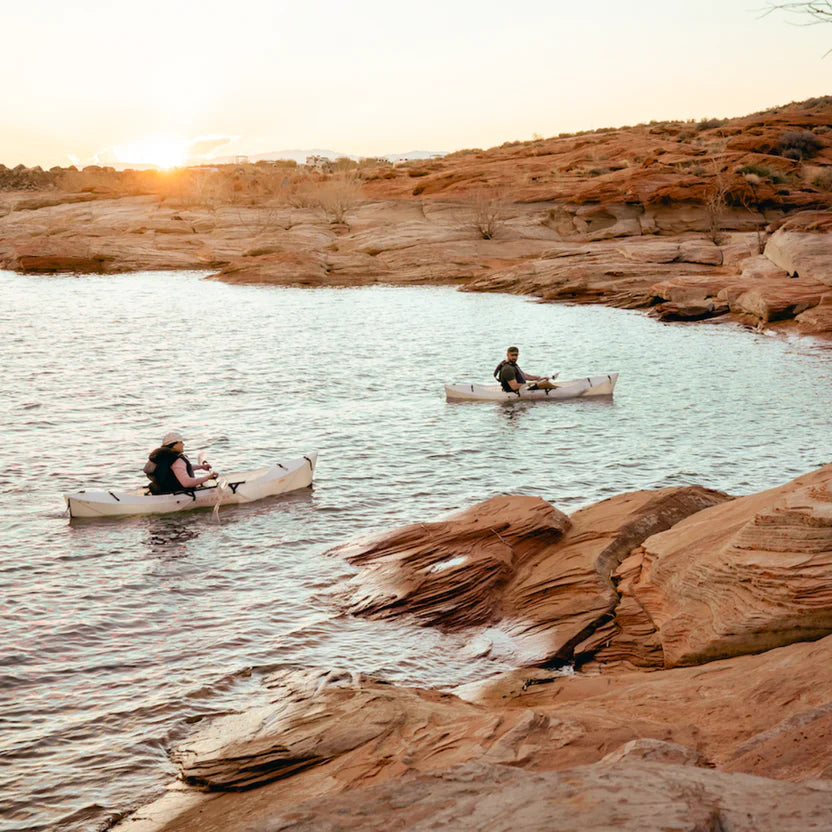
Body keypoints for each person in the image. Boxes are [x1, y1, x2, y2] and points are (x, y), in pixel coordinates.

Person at [144, 431, 216, 495]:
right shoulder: (177, 459)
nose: (183, 444)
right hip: (178, 492)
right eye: (181, 442)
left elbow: (180, 469)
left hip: (162, 489)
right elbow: (187, 483)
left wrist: (201, 467)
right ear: (174, 445)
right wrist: (208, 478)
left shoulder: (164, 457)